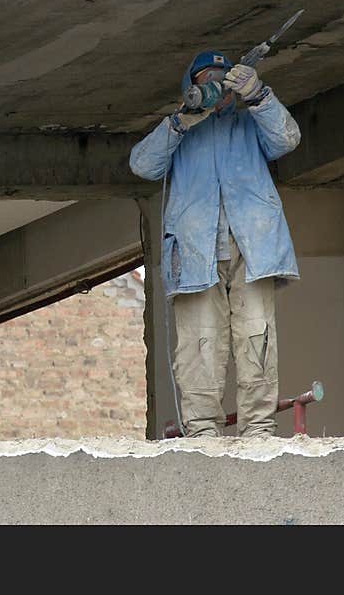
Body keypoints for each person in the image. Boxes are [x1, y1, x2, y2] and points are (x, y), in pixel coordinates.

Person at [129, 51, 300, 438]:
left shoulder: (247, 123)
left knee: (257, 337)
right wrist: (179, 123)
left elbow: (287, 139)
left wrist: (259, 95)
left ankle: (259, 429)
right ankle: (203, 432)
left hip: (252, 249)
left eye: (223, 79)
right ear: (191, 88)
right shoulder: (182, 132)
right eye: (207, 79)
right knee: (199, 343)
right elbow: (143, 165)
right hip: (194, 255)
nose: (217, 87)